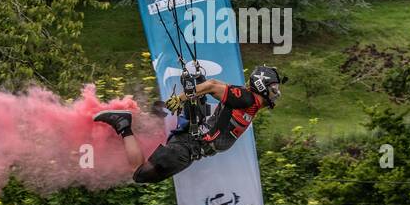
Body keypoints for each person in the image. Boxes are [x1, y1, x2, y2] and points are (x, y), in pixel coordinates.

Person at [93, 66, 285, 184]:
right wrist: (180, 98)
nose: (277, 92)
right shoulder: (246, 99)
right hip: (186, 148)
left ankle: (132, 123)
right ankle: (123, 124)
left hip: (189, 148)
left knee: (144, 167)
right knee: (138, 174)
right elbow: (211, 85)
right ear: (261, 85)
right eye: (274, 87)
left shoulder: (249, 103)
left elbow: (216, 85)